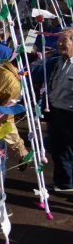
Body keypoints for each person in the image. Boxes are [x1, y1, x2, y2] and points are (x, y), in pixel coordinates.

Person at [46, 29, 73, 194]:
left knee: (69, 148)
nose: (60, 44)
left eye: (64, 41)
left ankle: (67, 182)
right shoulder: (56, 62)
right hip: (55, 111)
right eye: (59, 41)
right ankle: (63, 182)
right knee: (57, 147)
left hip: (70, 114)